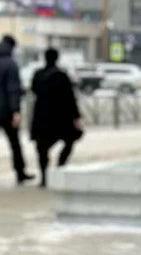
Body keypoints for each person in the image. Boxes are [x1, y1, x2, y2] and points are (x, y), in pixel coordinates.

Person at [30, 47, 83, 188]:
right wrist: (76, 117)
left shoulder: (38, 75)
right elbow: (70, 98)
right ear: (57, 58)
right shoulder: (62, 76)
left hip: (41, 116)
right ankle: (60, 166)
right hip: (61, 117)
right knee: (69, 140)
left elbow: (33, 90)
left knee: (42, 149)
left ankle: (44, 178)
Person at [0, 35, 34, 185]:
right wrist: (16, 111)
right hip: (7, 111)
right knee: (15, 143)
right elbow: (13, 89)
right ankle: (20, 172)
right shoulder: (11, 64)